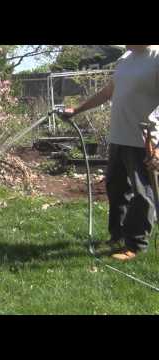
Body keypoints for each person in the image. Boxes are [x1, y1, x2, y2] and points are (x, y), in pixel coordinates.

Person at [62, 45, 159, 261]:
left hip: (144, 141)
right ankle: (118, 235)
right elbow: (108, 92)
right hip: (118, 137)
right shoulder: (125, 58)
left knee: (143, 194)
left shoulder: (156, 58)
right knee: (116, 188)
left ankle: (135, 245)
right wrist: (77, 110)